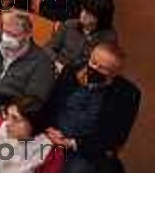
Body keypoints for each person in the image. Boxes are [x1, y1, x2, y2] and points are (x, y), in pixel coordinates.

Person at [43, 44, 141, 172]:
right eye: (93, 62)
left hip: (83, 149)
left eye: (103, 68)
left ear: (115, 73)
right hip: (52, 134)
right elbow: (50, 104)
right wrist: (49, 127)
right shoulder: (71, 72)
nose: (94, 69)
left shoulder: (127, 94)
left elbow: (116, 136)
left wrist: (72, 143)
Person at [0, 95, 65, 173]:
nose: (7, 123)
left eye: (15, 119)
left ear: (33, 124)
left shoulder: (51, 152)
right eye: (7, 115)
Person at [44, 0, 117, 73]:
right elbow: (48, 47)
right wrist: (57, 63)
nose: (83, 15)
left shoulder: (108, 38)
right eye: (83, 10)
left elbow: (101, 66)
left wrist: (69, 72)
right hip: (57, 66)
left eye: (89, 14)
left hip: (81, 76)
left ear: (101, 18)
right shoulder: (69, 24)